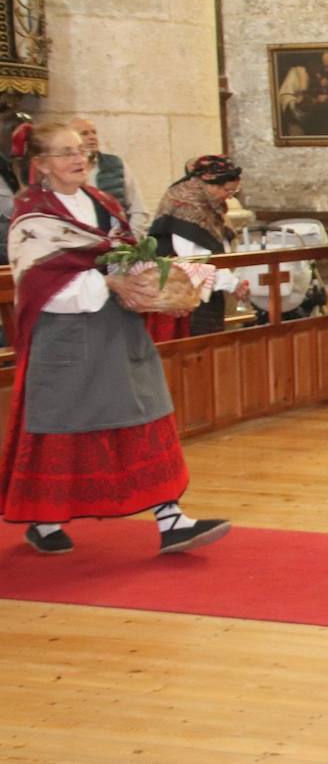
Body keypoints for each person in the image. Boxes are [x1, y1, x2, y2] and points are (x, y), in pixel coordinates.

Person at [0, 123, 231, 555]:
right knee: (63, 427)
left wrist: (159, 284)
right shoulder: (32, 213)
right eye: (65, 152)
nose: (78, 159)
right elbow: (36, 280)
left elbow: (128, 254)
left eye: (82, 151)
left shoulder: (103, 202)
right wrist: (107, 283)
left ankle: (172, 519)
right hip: (66, 331)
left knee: (147, 414)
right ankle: (44, 521)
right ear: (41, 165)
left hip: (119, 330)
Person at [147, 155, 252, 338]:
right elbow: (194, 258)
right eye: (228, 190)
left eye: (234, 191)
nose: (229, 196)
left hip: (209, 287)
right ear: (211, 185)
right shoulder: (187, 205)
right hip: (186, 294)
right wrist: (231, 284)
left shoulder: (209, 203)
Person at [70, 117, 151, 234]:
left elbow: (138, 209)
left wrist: (130, 242)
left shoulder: (116, 164)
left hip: (118, 241)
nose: (92, 137)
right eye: (84, 133)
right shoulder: (66, 170)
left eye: (94, 132)